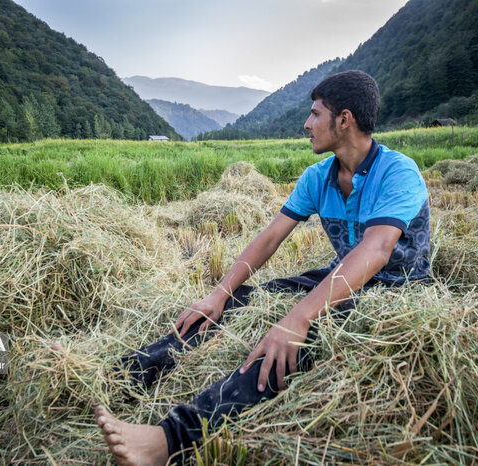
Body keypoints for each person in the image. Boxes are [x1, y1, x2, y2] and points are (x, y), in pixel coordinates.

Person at [94, 70, 430, 465]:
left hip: (394, 290)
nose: (307, 124)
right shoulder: (318, 177)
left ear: (344, 119)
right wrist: (218, 295)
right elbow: (271, 238)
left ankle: (170, 440)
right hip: (341, 276)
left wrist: (298, 319)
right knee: (243, 300)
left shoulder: (398, 171)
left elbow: (375, 251)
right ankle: (121, 377)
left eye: (315, 114)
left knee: (295, 343)